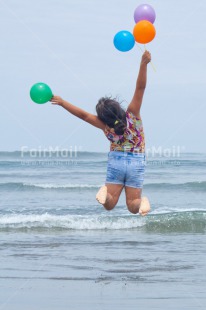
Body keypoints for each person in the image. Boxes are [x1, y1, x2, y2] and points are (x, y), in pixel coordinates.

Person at [51, 50, 151, 216]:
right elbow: (140, 87)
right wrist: (143, 64)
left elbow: (83, 116)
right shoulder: (132, 115)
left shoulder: (105, 126)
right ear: (118, 107)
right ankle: (142, 203)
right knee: (133, 206)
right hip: (137, 161)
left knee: (109, 204)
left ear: (104, 117)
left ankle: (105, 194)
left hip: (116, 161)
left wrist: (62, 102)